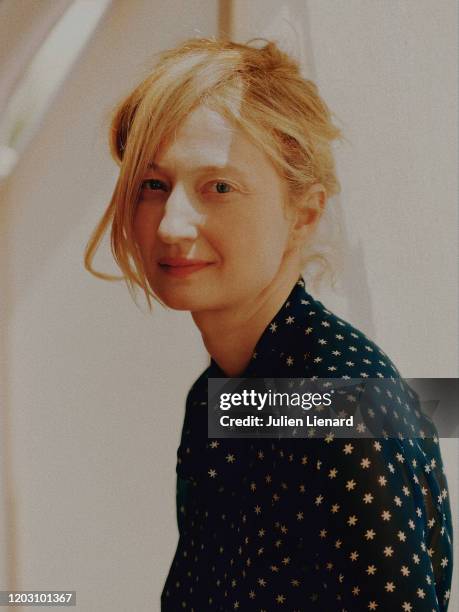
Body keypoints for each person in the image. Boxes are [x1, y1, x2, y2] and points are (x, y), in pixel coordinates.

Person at [84, 38, 453, 611]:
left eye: (219, 187)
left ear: (303, 212)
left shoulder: (340, 404)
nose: (172, 226)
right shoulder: (221, 396)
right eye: (153, 185)